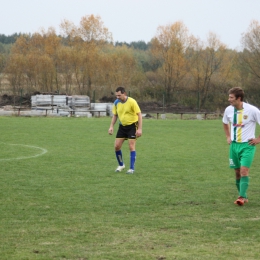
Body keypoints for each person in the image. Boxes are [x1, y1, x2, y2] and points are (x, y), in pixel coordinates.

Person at [222, 87, 260, 206]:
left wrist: (258, 139)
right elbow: (224, 122)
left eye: (231, 97)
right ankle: (243, 195)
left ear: (239, 98)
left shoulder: (253, 110)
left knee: (244, 170)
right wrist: (228, 137)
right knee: (237, 172)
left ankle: (241, 197)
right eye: (229, 97)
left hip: (247, 145)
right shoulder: (228, 110)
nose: (229, 100)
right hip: (234, 146)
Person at [108, 86, 142, 174]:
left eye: (119, 95)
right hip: (122, 126)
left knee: (131, 146)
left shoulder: (132, 102)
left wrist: (139, 129)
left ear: (124, 93)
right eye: (116, 96)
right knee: (116, 146)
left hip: (132, 126)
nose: (117, 97)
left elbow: (139, 115)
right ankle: (121, 165)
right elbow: (115, 115)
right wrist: (111, 126)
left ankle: (131, 168)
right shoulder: (116, 103)